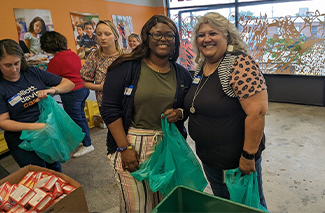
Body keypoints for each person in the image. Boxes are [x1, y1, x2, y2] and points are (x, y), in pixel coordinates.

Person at [100, 15, 192, 212]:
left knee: (164, 202)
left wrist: (179, 113)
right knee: (138, 206)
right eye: (157, 34)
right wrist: (124, 148)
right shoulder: (126, 68)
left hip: (167, 144)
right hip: (133, 142)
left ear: (175, 40)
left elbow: (188, 107)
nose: (163, 39)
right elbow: (109, 109)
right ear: (146, 37)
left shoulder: (181, 74)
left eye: (170, 35)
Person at [183, 12, 268, 209]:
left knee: (249, 205)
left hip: (237, 162)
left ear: (227, 36)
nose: (206, 39)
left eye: (213, 33)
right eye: (201, 35)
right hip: (210, 157)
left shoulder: (238, 63)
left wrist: (248, 156)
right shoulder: (203, 66)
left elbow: (257, 113)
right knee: (223, 203)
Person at [0, 39, 74, 172]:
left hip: (46, 132)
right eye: (8, 65)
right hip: (22, 139)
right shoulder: (0, 87)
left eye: (17, 63)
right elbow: (3, 122)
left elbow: (69, 84)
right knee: (39, 174)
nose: (14, 69)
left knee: (55, 169)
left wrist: (52, 90)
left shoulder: (32, 72)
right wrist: (36, 126)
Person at [40, 31, 94, 158]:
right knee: (81, 116)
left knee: (77, 119)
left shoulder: (55, 60)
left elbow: (48, 77)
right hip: (83, 89)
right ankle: (86, 141)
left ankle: (87, 144)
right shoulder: (72, 54)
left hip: (72, 92)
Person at [80, 20, 125, 125]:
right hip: (107, 104)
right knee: (115, 135)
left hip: (127, 101)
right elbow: (85, 82)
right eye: (99, 34)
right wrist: (100, 87)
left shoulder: (125, 55)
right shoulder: (94, 56)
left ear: (116, 36)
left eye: (107, 34)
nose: (103, 38)